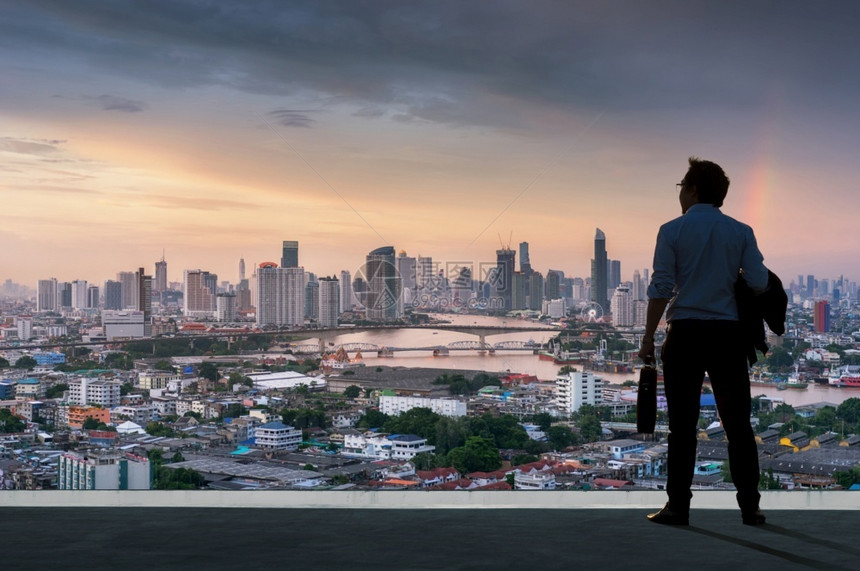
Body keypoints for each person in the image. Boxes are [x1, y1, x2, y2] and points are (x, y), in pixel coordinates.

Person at [638, 157, 769, 526]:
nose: (680, 193)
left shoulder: (671, 230)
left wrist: (648, 337)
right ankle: (750, 508)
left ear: (692, 189)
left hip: (686, 334)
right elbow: (759, 282)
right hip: (727, 336)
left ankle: (678, 507)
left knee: (682, 426)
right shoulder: (741, 231)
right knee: (738, 424)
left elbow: (662, 286)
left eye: (682, 186)